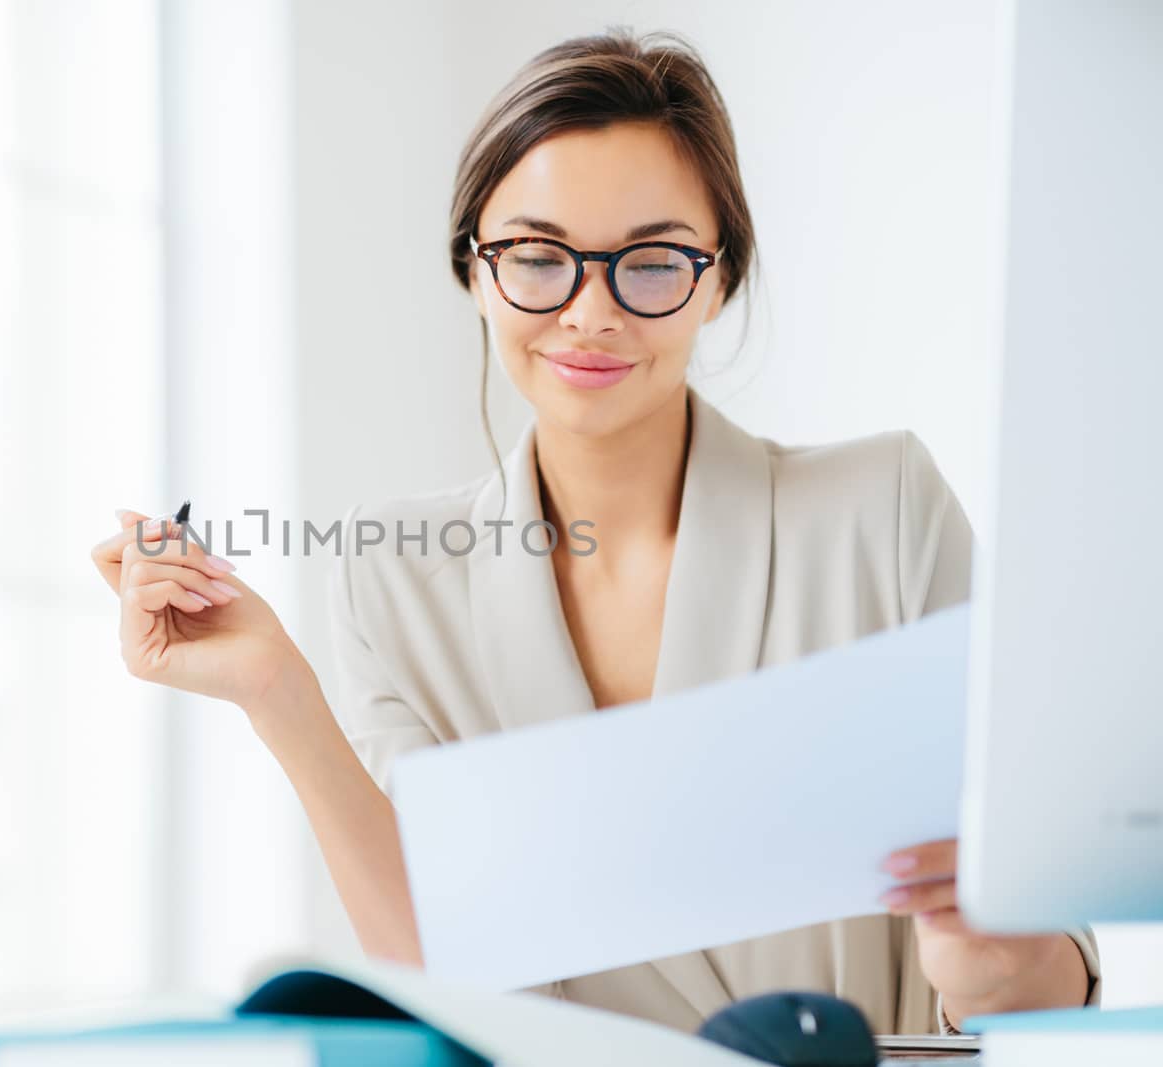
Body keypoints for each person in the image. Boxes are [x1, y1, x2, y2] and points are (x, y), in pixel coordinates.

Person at [92, 26, 1098, 1036]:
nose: (589, 311)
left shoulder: (882, 512)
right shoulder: (394, 578)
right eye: (537, 257)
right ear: (474, 271)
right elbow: (436, 970)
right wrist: (277, 691)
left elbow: (1041, 983)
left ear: (717, 278)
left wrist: (992, 960)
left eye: (652, 263)